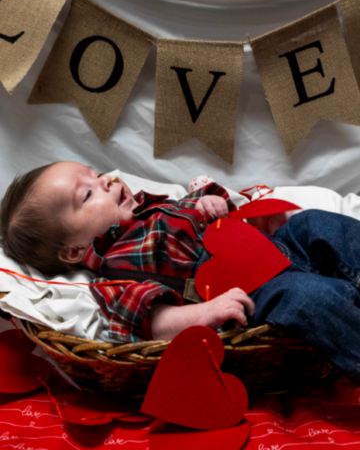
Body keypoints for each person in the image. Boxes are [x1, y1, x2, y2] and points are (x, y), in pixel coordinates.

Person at [2, 160, 360, 385]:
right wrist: (206, 313)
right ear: (73, 250)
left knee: (316, 223)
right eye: (88, 193)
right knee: (307, 298)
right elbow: (153, 321)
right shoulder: (113, 276)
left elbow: (210, 209)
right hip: (256, 288)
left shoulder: (153, 207)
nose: (108, 182)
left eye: (97, 175)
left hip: (271, 246)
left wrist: (209, 202)